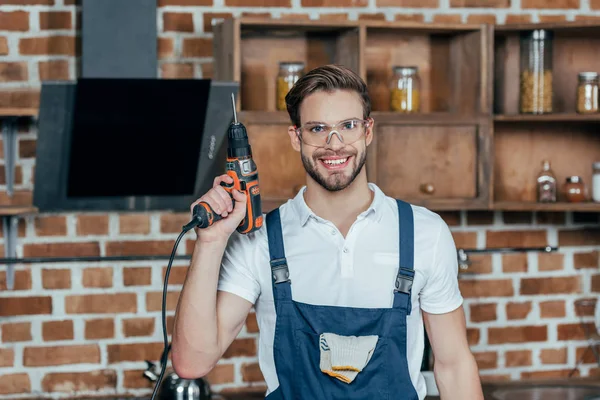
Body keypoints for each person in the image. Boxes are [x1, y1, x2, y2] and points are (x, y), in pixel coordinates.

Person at [171, 64, 484, 399]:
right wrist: (211, 242)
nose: (334, 144)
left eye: (348, 126)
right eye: (318, 128)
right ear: (296, 137)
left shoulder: (424, 233)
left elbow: (453, 366)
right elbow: (192, 362)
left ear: (367, 131)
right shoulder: (259, 240)